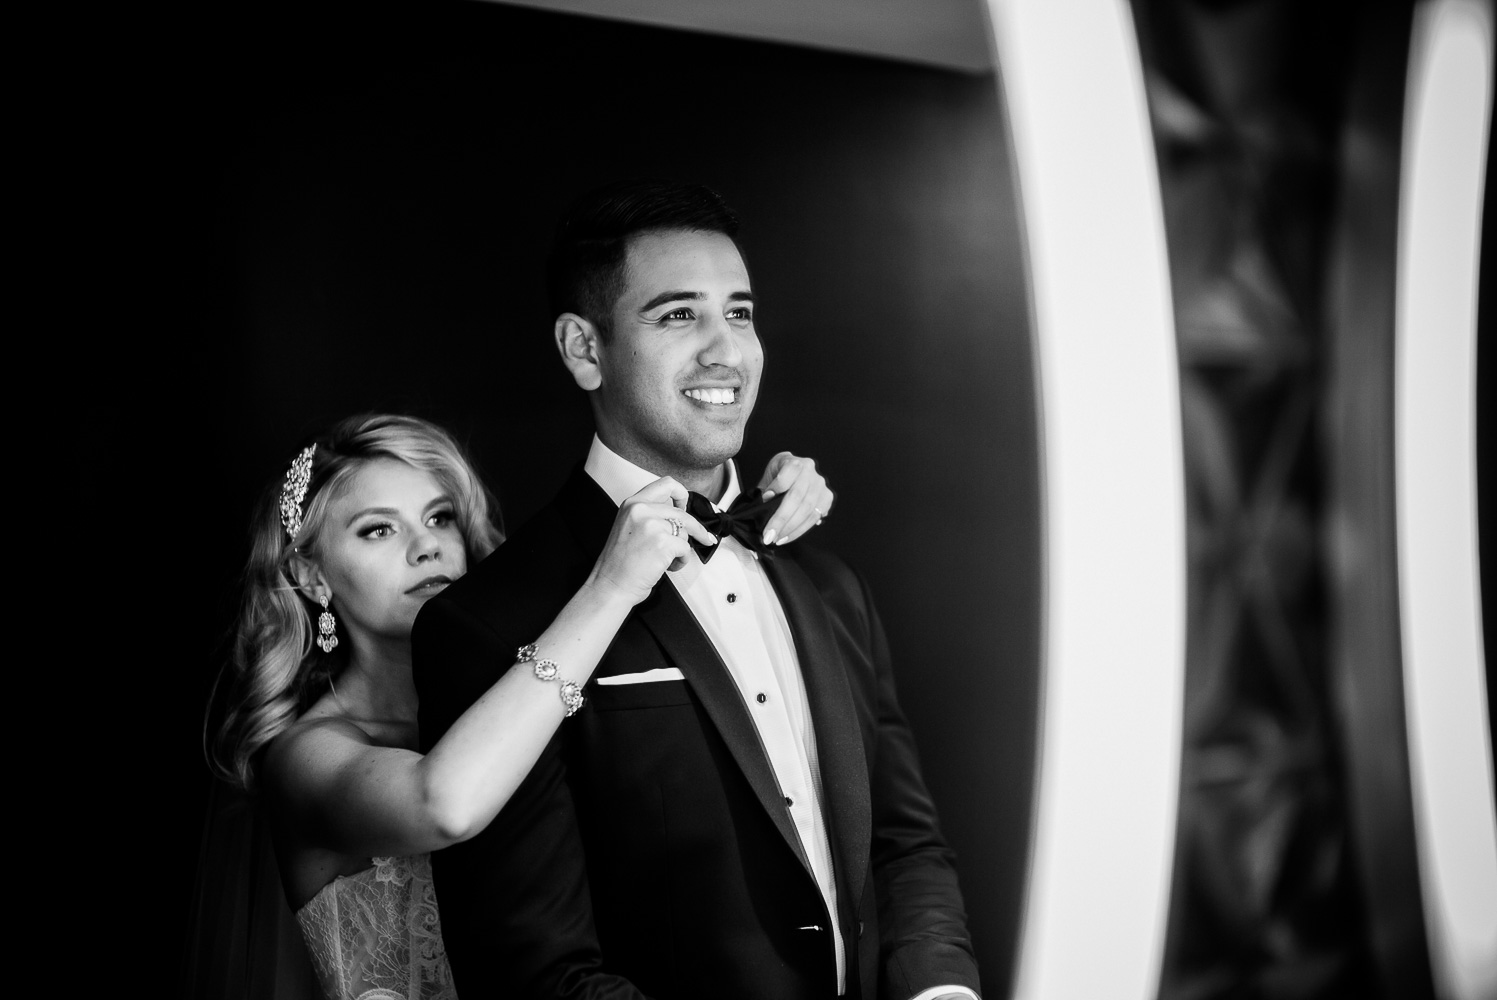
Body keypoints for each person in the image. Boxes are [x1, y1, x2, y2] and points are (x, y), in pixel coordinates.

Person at [413, 181, 982, 1000]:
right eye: (678, 316)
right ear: (584, 349)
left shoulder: (827, 582)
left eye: (740, 313)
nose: (727, 351)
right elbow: (535, 968)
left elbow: (905, 846)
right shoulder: (488, 617)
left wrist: (939, 991)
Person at [204, 412, 835, 1000]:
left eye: (440, 517)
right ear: (311, 576)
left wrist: (744, 499)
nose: (425, 547)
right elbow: (445, 805)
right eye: (377, 529)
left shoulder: (539, 693)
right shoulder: (307, 756)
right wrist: (611, 586)